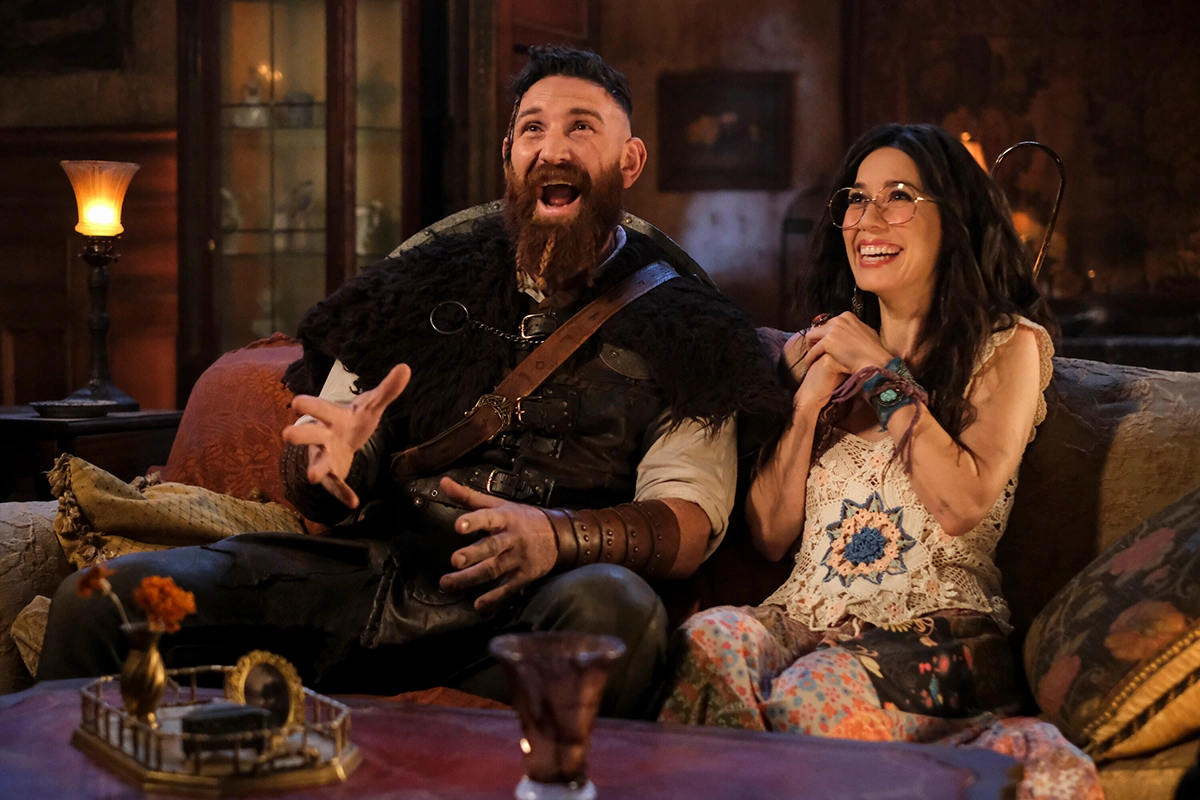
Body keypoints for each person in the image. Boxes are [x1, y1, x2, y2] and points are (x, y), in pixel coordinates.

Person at [37, 46, 785, 719]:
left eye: (581, 128)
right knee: (96, 605)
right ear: (508, 156)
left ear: (629, 161)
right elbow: (327, 455)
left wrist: (557, 537)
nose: (552, 149)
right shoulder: (415, 284)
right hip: (368, 579)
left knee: (619, 614)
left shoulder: (693, 328)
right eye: (532, 130)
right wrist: (325, 464)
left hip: (527, 608)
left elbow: (688, 522)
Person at [658, 123, 1059, 739]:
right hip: (807, 620)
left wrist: (881, 371)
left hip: (945, 632)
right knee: (706, 644)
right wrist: (807, 403)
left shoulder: (1007, 346)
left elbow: (962, 503)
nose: (868, 219)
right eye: (856, 198)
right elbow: (770, 536)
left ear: (953, 219)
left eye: (898, 196)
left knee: (810, 694)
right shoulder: (817, 353)